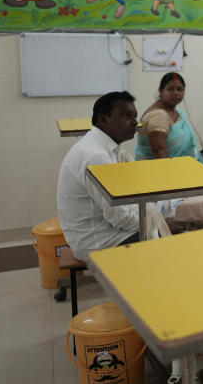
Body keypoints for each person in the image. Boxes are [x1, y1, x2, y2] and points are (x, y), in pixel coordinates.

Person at [56, 92, 140, 261]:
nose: (135, 122)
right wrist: (154, 222)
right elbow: (119, 217)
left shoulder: (99, 146)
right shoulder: (96, 156)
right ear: (102, 120)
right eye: (125, 116)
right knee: (167, 239)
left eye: (135, 116)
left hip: (93, 233)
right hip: (98, 241)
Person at [134, 72, 203, 163]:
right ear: (161, 91)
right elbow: (159, 152)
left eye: (180, 89)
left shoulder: (178, 112)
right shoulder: (158, 116)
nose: (176, 93)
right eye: (170, 89)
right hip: (155, 172)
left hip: (177, 168)